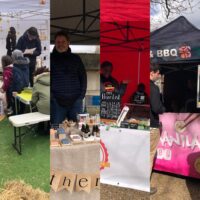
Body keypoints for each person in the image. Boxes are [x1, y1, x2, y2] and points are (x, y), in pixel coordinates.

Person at [51, 31, 87, 124]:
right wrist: (52, 97)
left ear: (68, 42)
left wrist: (81, 96)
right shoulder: (51, 59)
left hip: (76, 102)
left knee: (77, 129)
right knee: (55, 129)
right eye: (58, 42)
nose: (61, 44)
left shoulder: (76, 59)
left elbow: (83, 77)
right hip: (57, 103)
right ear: (55, 43)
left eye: (63, 42)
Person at [150, 64, 165, 195]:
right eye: (158, 73)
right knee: (149, 156)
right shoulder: (153, 88)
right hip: (152, 126)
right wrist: (163, 109)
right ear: (152, 72)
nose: (159, 76)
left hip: (143, 125)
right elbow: (157, 108)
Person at [11, 50, 30, 114]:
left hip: (17, 87)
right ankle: (21, 113)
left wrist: (15, 90)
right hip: (26, 86)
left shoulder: (15, 66)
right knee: (23, 102)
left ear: (14, 56)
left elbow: (17, 79)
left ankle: (16, 114)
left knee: (15, 102)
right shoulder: (26, 64)